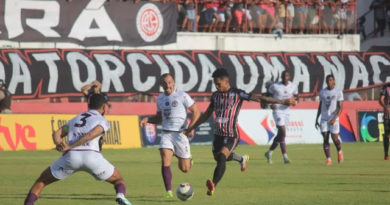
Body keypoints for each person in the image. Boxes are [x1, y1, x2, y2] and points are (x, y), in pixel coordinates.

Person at [184, 68, 293, 196]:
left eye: (219, 83)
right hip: (218, 134)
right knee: (219, 157)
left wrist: (282, 101)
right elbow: (206, 114)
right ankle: (241, 159)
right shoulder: (215, 96)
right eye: (215, 84)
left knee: (221, 158)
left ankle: (213, 184)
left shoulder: (238, 93)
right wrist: (191, 127)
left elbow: (259, 98)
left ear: (226, 81)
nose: (217, 86)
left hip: (231, 134)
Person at [24, 94, 132, 205]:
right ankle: (120, 196)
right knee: (118, 180)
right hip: (92, 157)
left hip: (71, 158)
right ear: (104, 107)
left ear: (88, 105)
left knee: (41, 181)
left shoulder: (76, 118)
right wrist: (71, 146)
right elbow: (90, 135)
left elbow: (57, 133)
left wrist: (59, 144)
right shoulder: (102, 120)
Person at [139, 73, 200, 198]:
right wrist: (147, 119)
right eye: (165, 83)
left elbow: (196, 111)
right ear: (161, 85)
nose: (168, 85)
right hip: (166, 133)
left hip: (180, 134)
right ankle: (169, 192)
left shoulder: (182, 95)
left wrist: (191, 127)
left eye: (170, 82)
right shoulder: (160, 99)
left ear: (173, 83)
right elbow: (159, 118)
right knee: (165, 160)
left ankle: (185, 157)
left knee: (185, 169)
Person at [264, 70, 298, 164]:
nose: (285, 77)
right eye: (283, 76)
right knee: (282, 131)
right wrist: (271, 104)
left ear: (289, 77)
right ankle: (285, 156)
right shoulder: (275, 86)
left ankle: (269, 152)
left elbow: (296, 97)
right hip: (277, 111)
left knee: (281, 134)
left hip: (287, 112)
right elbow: (268, 95)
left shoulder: (293, 86)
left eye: (286, 75)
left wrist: (295, 101)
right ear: (281, 77)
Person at [315, 75, 344, 165]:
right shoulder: (322, 92)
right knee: (325, 138)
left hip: (333, 118)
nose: (329, 82)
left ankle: (339, 151)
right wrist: (316, 118)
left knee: (335, 138)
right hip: (324, 118)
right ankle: (329, 159)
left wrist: (335, 118)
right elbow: (320, 106)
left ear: (334, 81)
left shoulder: (338, 92)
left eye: (331, 80)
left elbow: (340, 107)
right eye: (328, 80)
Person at [379, 82, 390, 160]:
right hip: (387, 116)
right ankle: (386, 154)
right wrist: (386, 107)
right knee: (387, 135)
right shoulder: (386, 88)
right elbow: (381, 99)